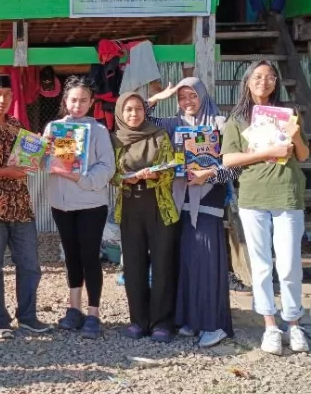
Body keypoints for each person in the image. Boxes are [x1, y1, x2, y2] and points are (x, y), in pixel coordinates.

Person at [221, 61, 310, 355]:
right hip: (253, 196)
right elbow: (228, 160)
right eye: (258, 76)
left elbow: (303, 153)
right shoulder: (237, 119)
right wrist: (267, 152)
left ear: (277, 82)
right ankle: (270, 325)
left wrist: (294, 134)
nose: (264, 81)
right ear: (247, 81)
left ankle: (294, 323)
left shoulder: (288, 112)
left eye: (271, 76)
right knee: (260, 265)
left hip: (287, 194)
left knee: (289, 265)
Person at [147, 78, 240, 348]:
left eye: (192, 96)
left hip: (209, 203)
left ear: (203, 96)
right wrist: (162, 95)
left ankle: (214, 324)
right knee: (186, 263)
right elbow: (139, 117)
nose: (187, 102)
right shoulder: (173, 124)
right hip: (180, 204)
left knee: (207, 263)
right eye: (182, 97)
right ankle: (190, 318)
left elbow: (236, 168)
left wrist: (209, 174)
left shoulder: (221, 124)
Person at [0, 74, 50, 341]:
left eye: (7, 94)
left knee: (30, 265)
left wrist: (42, 150)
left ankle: (28, 317)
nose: (2, 99)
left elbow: (30, 164)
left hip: (20, 206)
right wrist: (7, 171)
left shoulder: (18, 125)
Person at [46, 76, 115, 339]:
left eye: (83, 100)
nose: (77, 104)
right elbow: (43, 163)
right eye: (73, 99)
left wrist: (81, 179)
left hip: (90, 204)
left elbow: (107, 167)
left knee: (90, 257)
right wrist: (45, 153)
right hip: (61, 204)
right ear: (65, 100)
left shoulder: (97, 131)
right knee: (71, 256)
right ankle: (73, 308)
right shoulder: (54, 128)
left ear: (92, 102)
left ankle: (94, 312)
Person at [110, 92, 179, 343]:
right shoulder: (115, 139)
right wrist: (126, 178)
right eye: (128, 109)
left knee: (162, 264)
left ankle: (161, 322)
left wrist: (156, 176)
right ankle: (138, 321)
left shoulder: (159, 135)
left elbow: (173, 169)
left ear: (144, 111)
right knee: (134, 265)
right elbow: (110, 175)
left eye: (138, 109)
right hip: (129, 206)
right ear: (120, 112)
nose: (133, 114)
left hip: (159, 205)